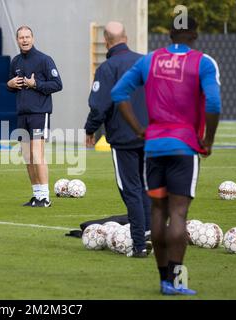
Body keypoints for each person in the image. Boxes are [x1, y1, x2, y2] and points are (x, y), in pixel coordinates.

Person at [111, 17, 221, 295]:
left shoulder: (150, 60)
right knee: (178, 213)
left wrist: (139, 130)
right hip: (184, 147)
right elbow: (215, 102)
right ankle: (175, 281)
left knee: (158, 212)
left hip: (154, 147)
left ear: (170, 34)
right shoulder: (203, 62)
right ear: (195, 34)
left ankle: (163, 281)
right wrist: (207, 140)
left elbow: (118, 93)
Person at [84, 22, 151, 258]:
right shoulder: (147, 62)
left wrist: (90, 130)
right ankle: (150, 234)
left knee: (130, 189)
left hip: (124, 138)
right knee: (145, 187)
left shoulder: (107, 68)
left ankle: (140, 245)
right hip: (151, 135)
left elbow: (99, 106)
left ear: (106, 40)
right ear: (126, 37)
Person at [7, 26, 63, 207]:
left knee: (37, 154)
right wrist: (10, 83)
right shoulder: (15, 61)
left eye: (27, 37)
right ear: (17, 40)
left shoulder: (44, 60)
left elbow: (57, 84)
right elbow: (10, 85)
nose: (24, 40)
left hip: (39, 113)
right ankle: (36, 195)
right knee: (27, 156)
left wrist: (35, 84)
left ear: (33, 38)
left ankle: (45, 197)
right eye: (21, 37)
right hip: (22, 114)